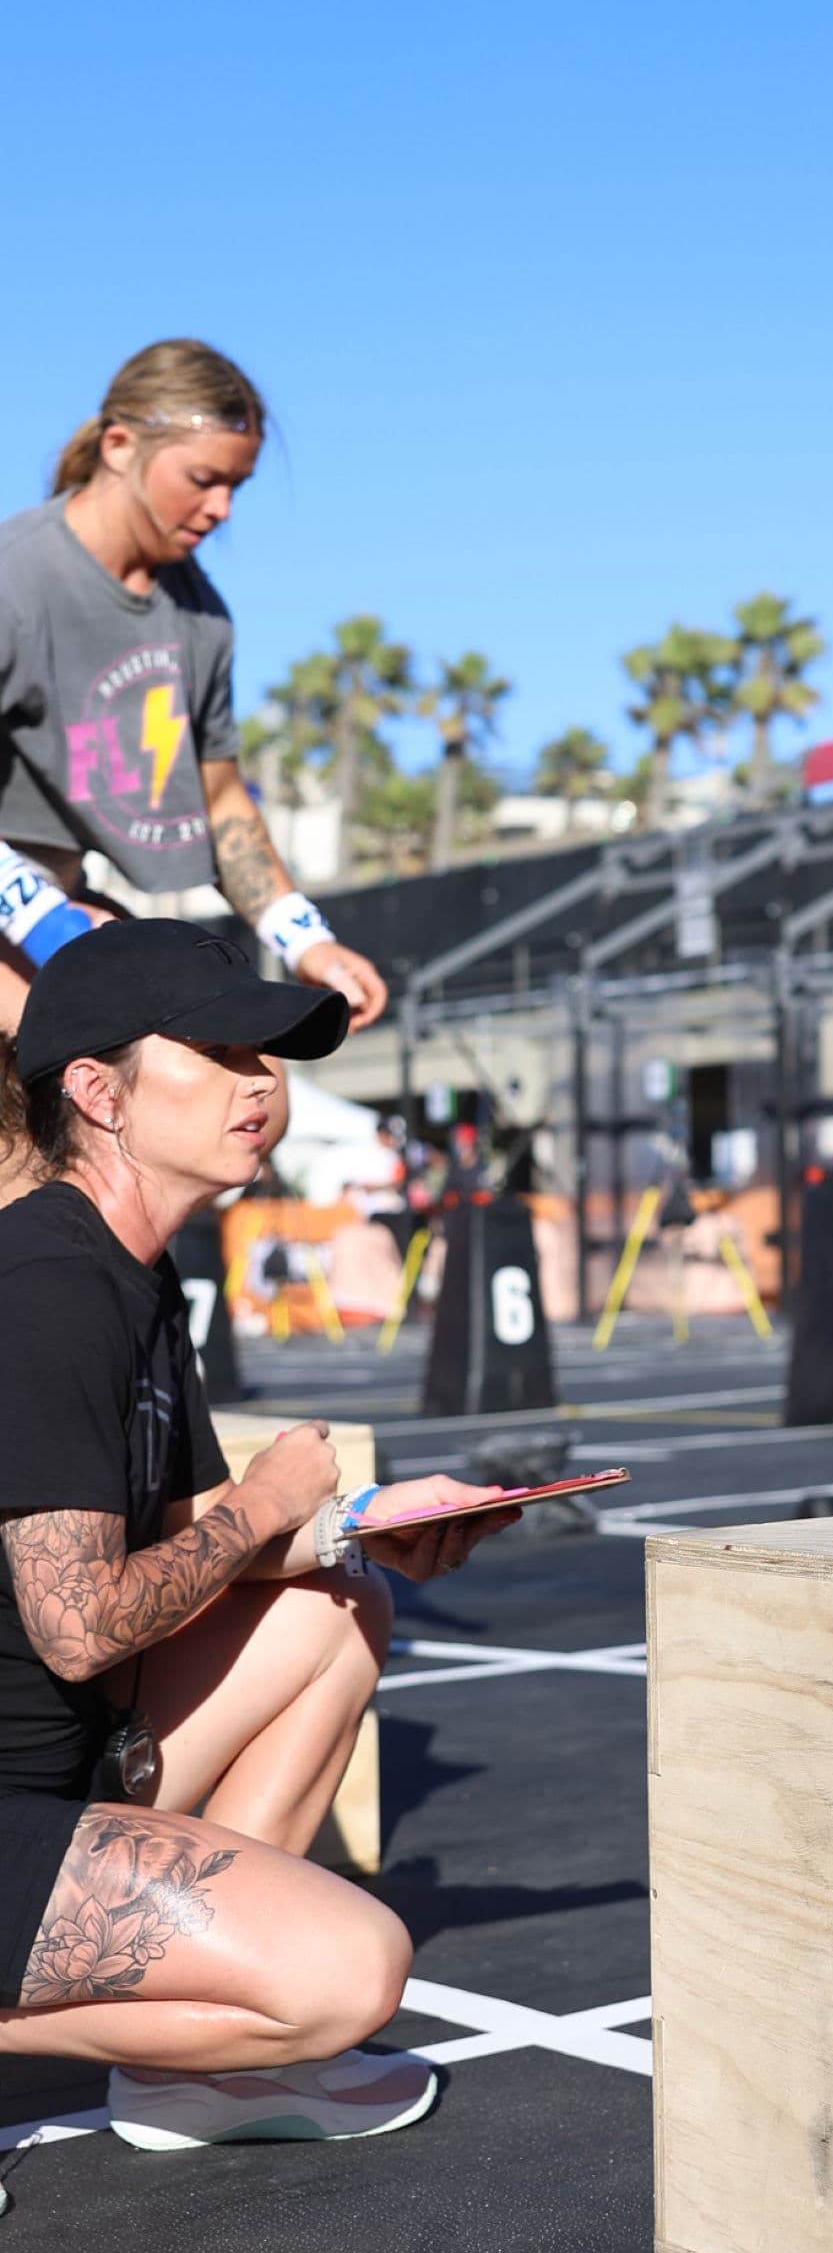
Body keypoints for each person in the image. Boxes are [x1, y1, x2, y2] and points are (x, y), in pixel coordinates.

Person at [0, 920, 512, 2147]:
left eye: (270, 1054)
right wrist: (258, 1506)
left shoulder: (130, 1271)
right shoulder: (48, 1288)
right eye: (221, 1050)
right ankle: (210, 1996)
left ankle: (191, 2073)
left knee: (338, 1611)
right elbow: (78, 1627)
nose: (262, 1081)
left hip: (58, 1763)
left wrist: (358, 1528)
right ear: (95, 1091)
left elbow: (179, 1549)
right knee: (349, 1974)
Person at [0, 341, 391, 1138]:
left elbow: (220, 802)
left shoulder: (200, 617)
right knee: (91, 1137)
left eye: (236, 486)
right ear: (119, 446)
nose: (221, 509)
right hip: (26, 923)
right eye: (203, 479)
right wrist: (45, 924)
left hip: (65, 924)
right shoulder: (18, 580)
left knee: (254, 1102)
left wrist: (308, 942)